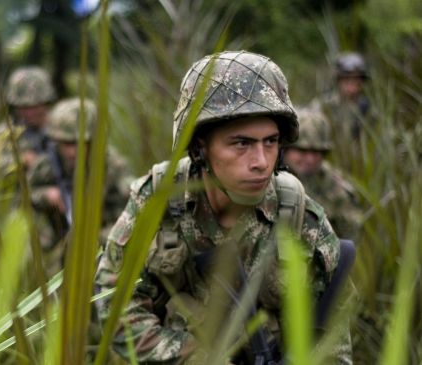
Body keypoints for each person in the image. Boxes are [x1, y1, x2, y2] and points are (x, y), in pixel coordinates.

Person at [95, 51, 353, 364]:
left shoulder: (298, 216)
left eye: (270, 142)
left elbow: (334, 339)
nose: (260, 162)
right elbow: (115, 303)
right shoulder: (159, 200)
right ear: (199, 146)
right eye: (241, 143)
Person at [28, 97, 132, 274]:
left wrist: (102, 236)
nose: (72, 152)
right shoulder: (46, 166)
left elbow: (130, 205)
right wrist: (47, 195)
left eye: (79, 144)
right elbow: (27, 196)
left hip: (103, 240)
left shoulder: (112, 166)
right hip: (57, 241)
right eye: (66, 143)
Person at [283, 107, 362, 240]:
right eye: (302, 150)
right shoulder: (265, 179)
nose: (310, 159)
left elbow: (350, 236)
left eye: (316, 152)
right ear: (285, 149)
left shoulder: (337, 189)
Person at [3, 65, 57, 171]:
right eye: (23, 107)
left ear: (46, 102)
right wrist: (22, 160)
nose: (29, 112)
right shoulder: (6, 133)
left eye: (35, 105)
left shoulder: (63, 127)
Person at [311, 52, 372, 142]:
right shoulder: (324, 105)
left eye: (357, 80)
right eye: (347, 80)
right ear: (339, 80)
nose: (352, 87)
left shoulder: (367, 108)